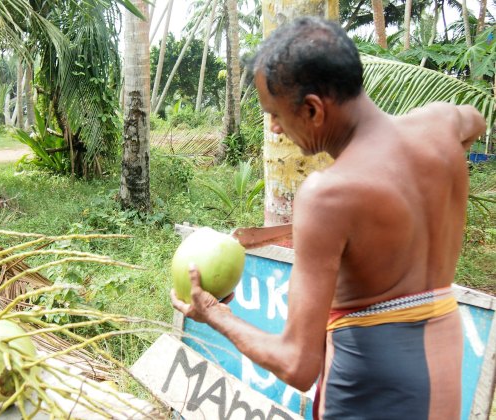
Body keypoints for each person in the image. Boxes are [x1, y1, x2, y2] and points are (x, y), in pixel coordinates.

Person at [171, 16, 487, 420]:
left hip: (372, 388)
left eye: (275, 114)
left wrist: (213, 313)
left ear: (313, 109)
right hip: (442, 362)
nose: (275, 128)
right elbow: (473, 120)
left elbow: (297, 364)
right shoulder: (442, 122)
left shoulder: (328, 194)